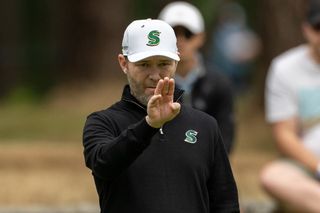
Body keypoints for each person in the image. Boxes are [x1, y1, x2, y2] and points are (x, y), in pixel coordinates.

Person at [82, 18, 239, 213]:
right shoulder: (103, 122)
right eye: (144, 64)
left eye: (164, 63)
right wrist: (149, 126)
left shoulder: (205, 125)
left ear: (176, 61)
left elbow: (225, 204)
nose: (155, 75)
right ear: (124, 63)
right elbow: (103, 164)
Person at [260, 0, 320, 212]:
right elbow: (284, 135)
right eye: (318, 28)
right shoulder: (285, 68)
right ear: (306, 29)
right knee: (273, 176)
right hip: (306, 167)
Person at [158, 1, 236, 153]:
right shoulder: (151, 82)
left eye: (188, 33)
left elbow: (226, 137)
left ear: (201, 37)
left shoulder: (219, 83)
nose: (180, 40)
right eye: (173, 34)